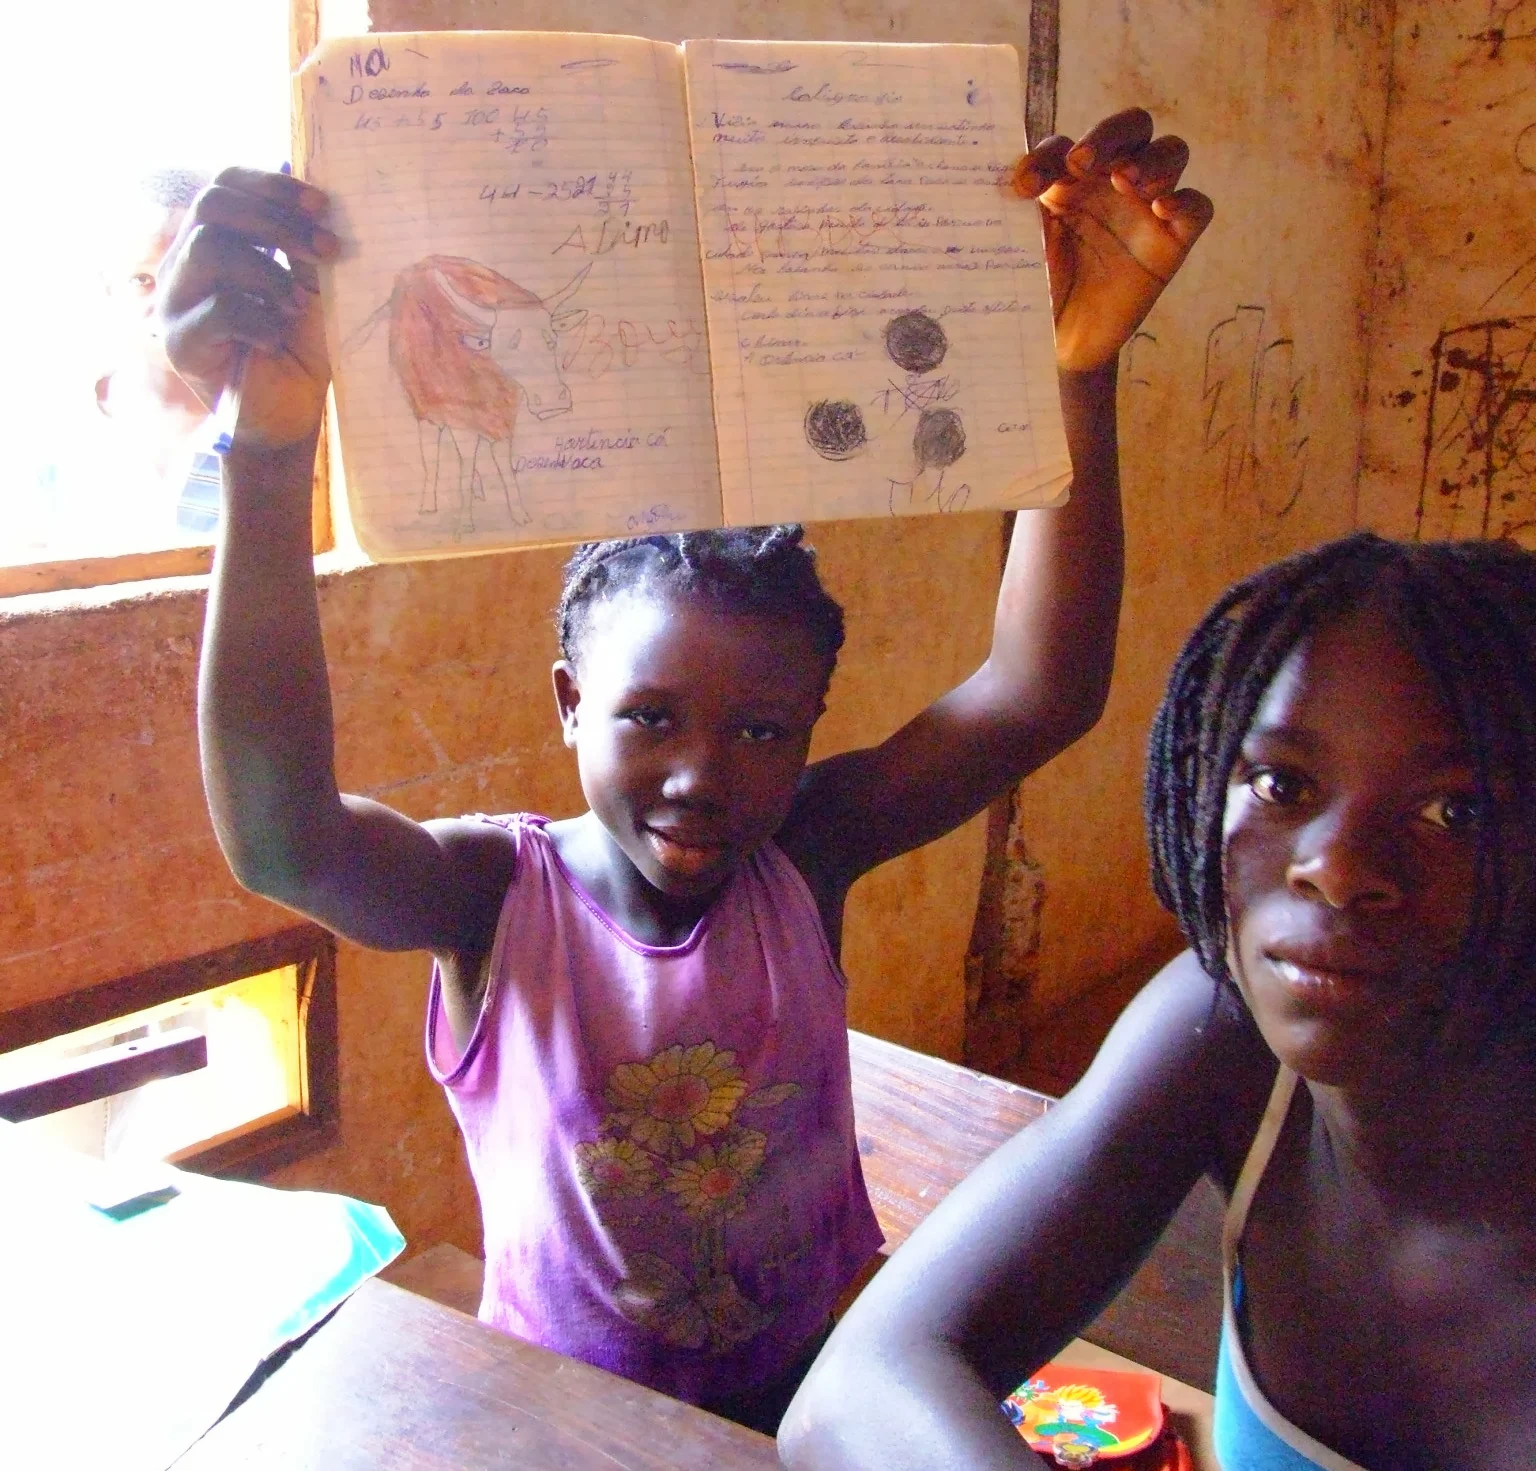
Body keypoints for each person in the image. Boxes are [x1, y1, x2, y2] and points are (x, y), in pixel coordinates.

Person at [157, 109, 1211, 1430]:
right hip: (578, 1417)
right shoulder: (493, 897)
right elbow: (283, 839)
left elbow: (1039, 693)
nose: (701, 776)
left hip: (818, 1385)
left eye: (762, 731)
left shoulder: (804, 853)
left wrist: (1078, 378)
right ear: (569, 702)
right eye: (650, 717)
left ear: (814, 724)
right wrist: (266, 456)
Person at [778, 533, 1536, 1469]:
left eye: (1455, 812)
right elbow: (857, 1388)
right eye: (1282, 783)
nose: (1336, 867)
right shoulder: (1228, 1036)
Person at [96, 168, 223, 540]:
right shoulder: (57, 437)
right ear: (108, 287)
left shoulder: (259, 425)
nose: (168, 303)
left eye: (189, 275)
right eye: (143, 280)